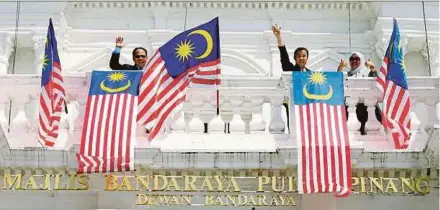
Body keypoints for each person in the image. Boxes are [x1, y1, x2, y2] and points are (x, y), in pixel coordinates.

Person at [338, 52, 382, 135]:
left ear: (361, 60)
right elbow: (337, 83)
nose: (354, 61)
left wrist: (373, 68)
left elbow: (375, 84)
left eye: (357, 59)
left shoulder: (367, 72)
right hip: (351, 107)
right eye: (352, 59)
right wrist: (340, 69)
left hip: (366, 107)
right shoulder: (347, 74)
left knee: (367, 133)